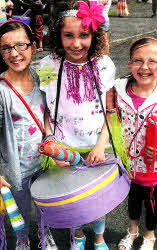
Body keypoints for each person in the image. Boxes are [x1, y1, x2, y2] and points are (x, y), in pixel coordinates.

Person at [37, 0, 116, 249]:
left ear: (95, 34)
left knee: (97, 199)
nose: (76, 44)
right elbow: (47, 110)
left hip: (96, 145)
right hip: (64, 147)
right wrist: (51, 140)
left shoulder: (104, 64)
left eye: (84, 35)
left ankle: (100, 238)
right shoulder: (48, 65)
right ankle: (78, 237)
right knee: (73, 199)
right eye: (68, 36)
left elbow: (111, 111)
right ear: (58, 36)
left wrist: (101, 145)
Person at [0, 20, 57, 250]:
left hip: (43, 163)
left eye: (21, 45)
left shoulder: (41, 76)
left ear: (33, 47)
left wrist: (49, 135)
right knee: (20, 211)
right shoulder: (2, 89)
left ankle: (46, 235)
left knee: (46, 205)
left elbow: (48, 110)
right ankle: (23, 241)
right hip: (16, 169)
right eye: (6, 48)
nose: (14, 53)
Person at [109, 37, 157, 250]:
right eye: (137, 61)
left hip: (154, 166)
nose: (144, 67)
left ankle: (149, 236)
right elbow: (110, 116)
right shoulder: (119, 89)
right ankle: (132, 231)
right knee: (133, 200)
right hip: (129, 164)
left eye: (152, 61)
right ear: (129, 65)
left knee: (153, 204)